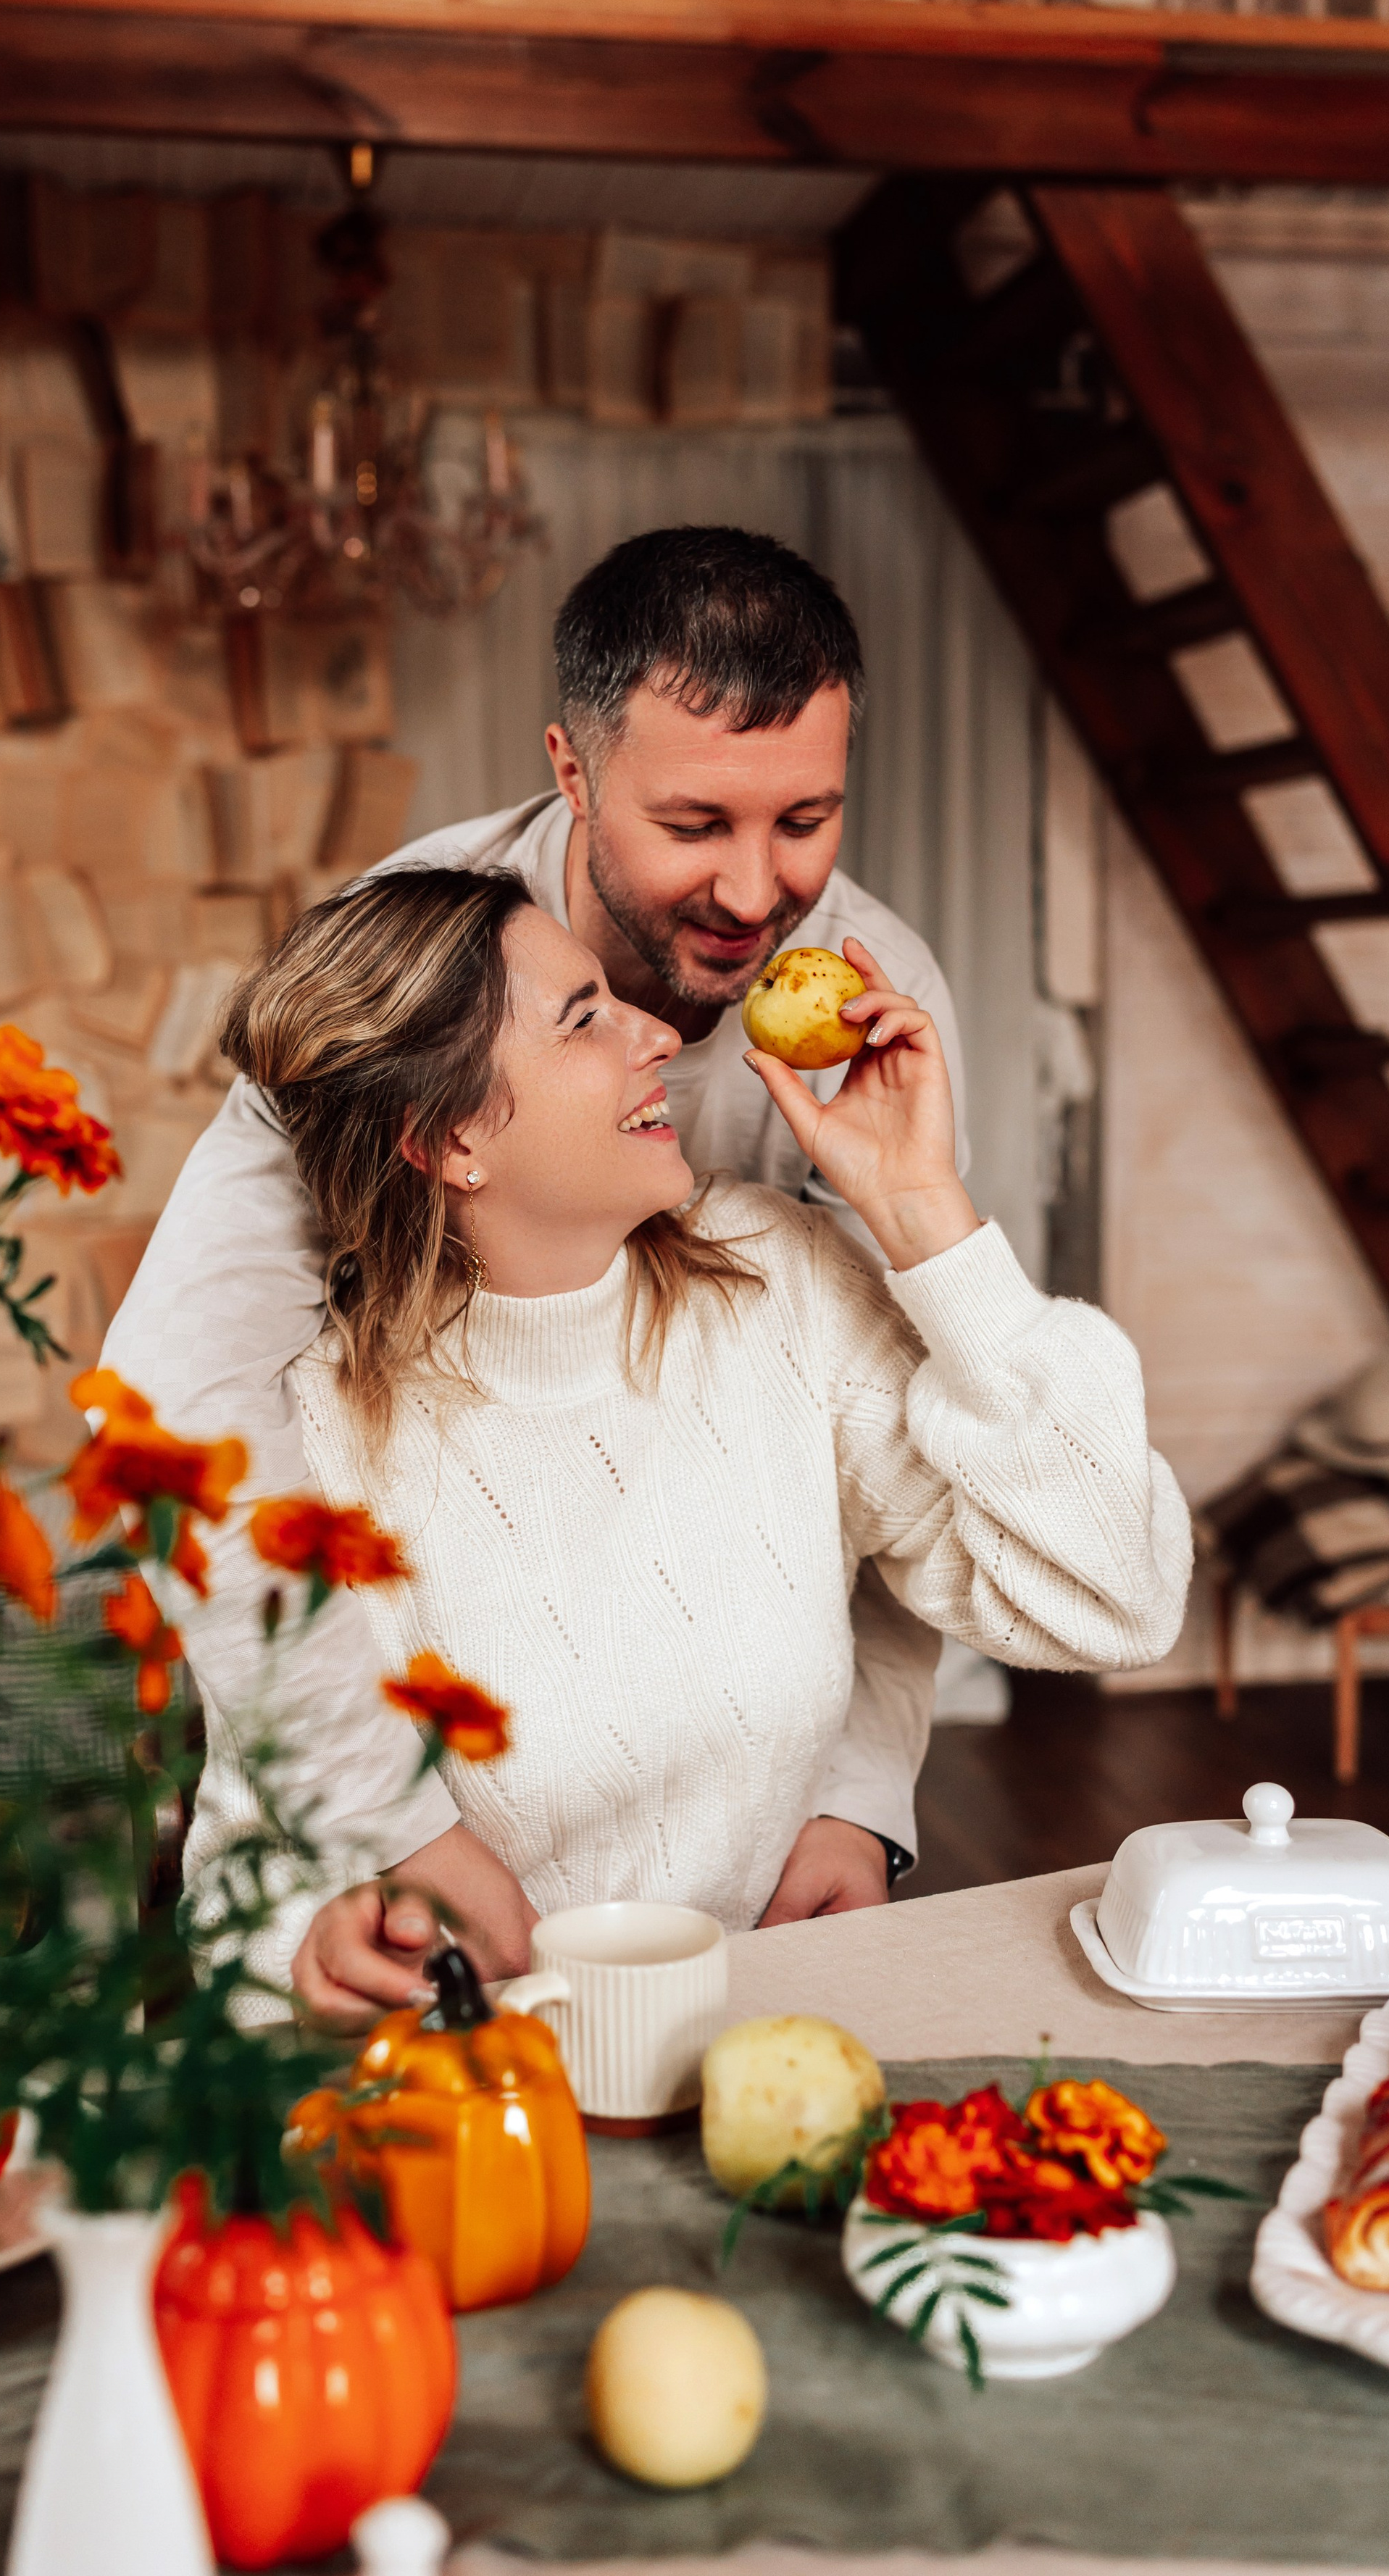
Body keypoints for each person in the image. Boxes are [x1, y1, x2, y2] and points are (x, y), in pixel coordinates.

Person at [106, 527, 972, 1946]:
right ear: (571, 773)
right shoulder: (406, 971)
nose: (755, 894)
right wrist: (383, 1818)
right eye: (693, 825)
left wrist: (857, 1787)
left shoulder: (870, 999)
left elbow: (897, 1424)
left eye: (804, 820)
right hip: (420, 1737)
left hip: (717, 1789)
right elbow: (172, 1402)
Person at [220, 863, 1189, 2030]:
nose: (661, 1036)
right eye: (584, 1019)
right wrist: (321, 1945)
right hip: (477, 2084)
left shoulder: (780, 1282)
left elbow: (1116, 1605)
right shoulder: (308, 1434)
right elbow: (249, 1869)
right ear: (448, 1137)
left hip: (757, 2047)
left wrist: (926, 1214)